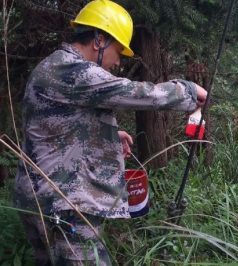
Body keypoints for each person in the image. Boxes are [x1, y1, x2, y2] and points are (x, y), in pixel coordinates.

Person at [14, 0, 207, 265]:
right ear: (98, 40)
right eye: (118, 50)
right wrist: (186, 91)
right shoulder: (72, 70)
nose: (117, 62)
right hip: (65, 202)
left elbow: (53, 126)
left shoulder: (56, 67)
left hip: (44, 198)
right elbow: (132, 92)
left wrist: (108, 136)